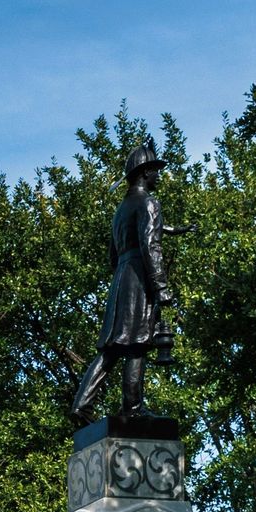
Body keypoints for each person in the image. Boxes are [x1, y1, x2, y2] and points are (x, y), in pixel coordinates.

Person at [70, 139, 175, 424]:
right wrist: (161, 286)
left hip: (121, 280)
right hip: (140, 278)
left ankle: (82, 404)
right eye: (154, 170)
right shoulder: (150, 202)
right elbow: (150, 245)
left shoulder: (121, 210)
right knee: (137, 343)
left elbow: (113, 255)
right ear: (143, 173)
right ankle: (133, 409)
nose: (158, 175)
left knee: (113, 346)